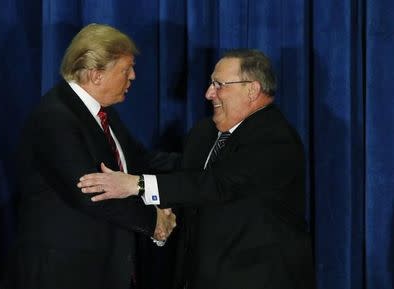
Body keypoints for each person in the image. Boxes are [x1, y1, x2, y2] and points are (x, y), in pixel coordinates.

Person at [77, 49, 316, 289]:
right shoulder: (204, 133)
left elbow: (217, 184)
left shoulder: (274, 138)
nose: (208, 93)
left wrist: (136, 184)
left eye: (219, 85)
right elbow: (187, 180)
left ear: (252, 90)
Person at [2, 24, 178, 289]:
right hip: (63, 273)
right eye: (125, 69)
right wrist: (154, 221)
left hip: (102, 269)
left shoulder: (102, 113)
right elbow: (92, 193)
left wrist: (202, 164)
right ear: (96, 75)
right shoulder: (55, 118)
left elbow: (141, 161)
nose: (133, 76)